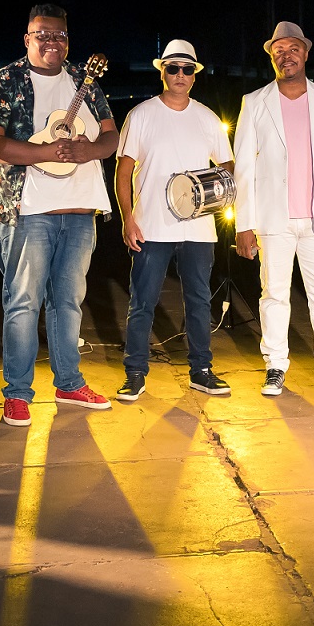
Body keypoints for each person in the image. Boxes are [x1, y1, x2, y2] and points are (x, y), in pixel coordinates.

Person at [0, 4, 118, 427]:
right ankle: (17, 393)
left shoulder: (85, 81)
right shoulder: (6, 80)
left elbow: (111, 135)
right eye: (42, 34)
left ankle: (69, 383)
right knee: (23, 302)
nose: (52, 42)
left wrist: (89, 150)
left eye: (59, 35)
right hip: (28, 211)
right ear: (27, 39)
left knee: (68, 302)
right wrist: (45, 152)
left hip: (80, 212)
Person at [234, 21, 314, 399]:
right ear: (272, 58)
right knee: (273, 295)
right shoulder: (254, 102)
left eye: (292, 49)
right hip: (272, 219)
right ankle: (275, 366)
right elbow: (244, 167)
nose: (285, 56)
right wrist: (244, 224)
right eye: (279, 51)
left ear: (305, 53)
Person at [113, 39, 234, 401]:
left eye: (187, 69)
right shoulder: (141, 115)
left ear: (194, 76)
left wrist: (211, 192)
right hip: (151, 225)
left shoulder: (207, 118)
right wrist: (128, 219)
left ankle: (201, 371)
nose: (180, 75)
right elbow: (123, 171)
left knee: (199, 300)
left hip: (199, 227)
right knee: (142, 301)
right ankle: (135, 373)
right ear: (162, 73)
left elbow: (228, 166)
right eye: (173, 68)